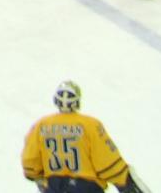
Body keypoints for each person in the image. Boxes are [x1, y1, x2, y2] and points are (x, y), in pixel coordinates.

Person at [20, 81, 149, 193]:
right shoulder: (90, 125)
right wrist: (123, 181)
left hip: (53, 187)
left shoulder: (40, 125)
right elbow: (107, 162)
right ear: (76, 101)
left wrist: (37, 177)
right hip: (87, 188)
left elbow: (30, 163)